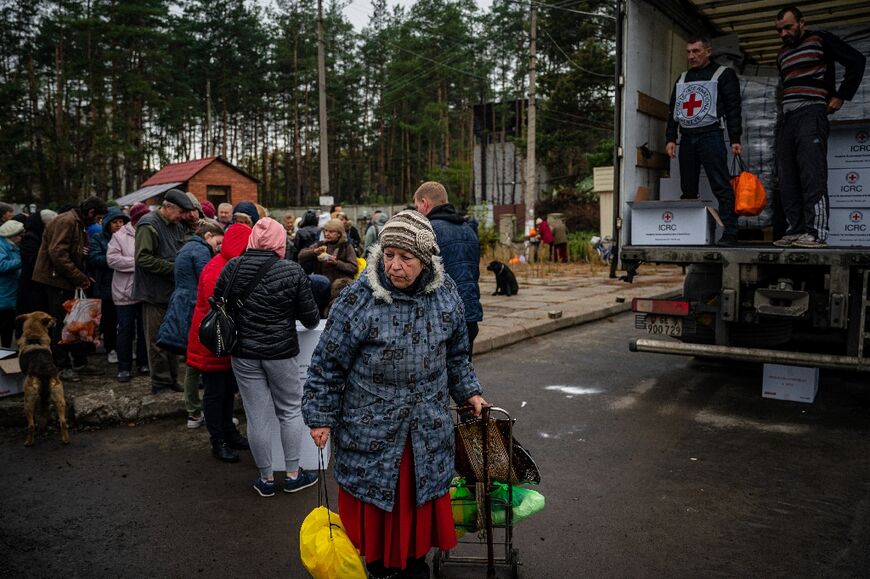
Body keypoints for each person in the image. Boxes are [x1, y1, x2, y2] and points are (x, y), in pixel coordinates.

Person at [303, 209, 487, 579]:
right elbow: (327, 363)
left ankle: (413, 562)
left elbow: (456, 355)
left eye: (405, 257)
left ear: (426, 259)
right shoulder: (360, 298)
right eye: (388, 255)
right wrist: (320, 415)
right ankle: (377, 564)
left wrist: (469, 392)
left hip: (425, 426)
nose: (394, 266)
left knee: (416, 500)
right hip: (371, 428)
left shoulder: (446, 294)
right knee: (377, 503)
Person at [213, 217, 320, 496]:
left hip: (243, 353)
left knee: (256, 415)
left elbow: (218, 303)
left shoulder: (232, 267)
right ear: (279, 241)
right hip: (281, 352)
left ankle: (266, 479)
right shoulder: (291, 270)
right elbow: (310, 319)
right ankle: (294, 474)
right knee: (290, 410)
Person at [772, 6, 867, 249]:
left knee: (812, 172)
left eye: (788, 27)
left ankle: (816, 232)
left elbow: (857, 61)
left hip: (811, 113)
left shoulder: (820, 39)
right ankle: (795, 229)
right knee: (787, 176)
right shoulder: (782, 54)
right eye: (779, 29)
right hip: (787, 118)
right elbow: (787, 86)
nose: (783, 33)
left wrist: (840, 96)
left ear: (802, 23)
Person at [665, 36, 743, 247]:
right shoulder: (682, 78)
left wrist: (735, 138)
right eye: (689, 52)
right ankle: (688, 233)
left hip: (711, 136)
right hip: (687, 138)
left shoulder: (723, 75)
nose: (691, 56)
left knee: (721, 185)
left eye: (696, 51)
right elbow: (673, 110)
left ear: (708, 52)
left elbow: (734, 108)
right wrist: (671, 138)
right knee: (687, 188)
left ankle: (730, 233)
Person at [186, 223, 253, 462]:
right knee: (215, 393)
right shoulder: (219, 268)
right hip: (214, 342)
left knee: (226, 391)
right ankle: (218, 440)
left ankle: (229, 433)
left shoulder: (226, 264)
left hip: (222, 342)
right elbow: (221, 305)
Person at [158, 220, 224, 428]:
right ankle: (196, 412)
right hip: (193, 306)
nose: (219, 247)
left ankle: (194, 412)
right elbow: (208, 281)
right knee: (195, 362)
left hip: (181, 302)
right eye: (218, 242)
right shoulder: (201, 252)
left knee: (191, 361)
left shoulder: (187, 247)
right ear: (208, 236)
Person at [33, 196, 108, 381]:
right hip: (56, 281)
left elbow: (73, 253)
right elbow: (58, 253)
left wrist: (82, 275)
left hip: (66, 279)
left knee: (77, 321)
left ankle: (80, 362)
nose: (98, 222)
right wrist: (78, 276)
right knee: (61, 323)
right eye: (98, 218)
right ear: (90, 212)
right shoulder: (67, 221)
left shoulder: (77, 221)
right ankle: (62, 365)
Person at [134, 189, 195, 394]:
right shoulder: (148, 225)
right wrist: (172, 267)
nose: (182, 217)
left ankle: (172, 379)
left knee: (173, 337)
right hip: (153, 293)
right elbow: (143, 259)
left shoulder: (177, 225)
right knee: (157, 341)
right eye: (180, 212)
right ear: (168, 207)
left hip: (172, 292)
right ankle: (160, 382)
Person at [414, 182, 483, 357]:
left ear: (425, 203)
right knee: (463, 374)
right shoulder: (468, 229)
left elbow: (420, 277)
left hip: (440, 318)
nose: (417, 212)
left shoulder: (428, 231)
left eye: (417, 207)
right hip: (469, 313)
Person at [107, 203, 150, 382]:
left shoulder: (149, 232)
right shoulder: (119, 236)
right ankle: (124, 367)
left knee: (144, 329)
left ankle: (143, 362)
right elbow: (112, 260)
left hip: (145, 290)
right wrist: (138, 262)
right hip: (124, 291)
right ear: (136, 219)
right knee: (125, 329)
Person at [88, 207, 129, 364]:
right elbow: (94, 258)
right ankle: (111, 348)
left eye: (121, 222)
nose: (119, 225)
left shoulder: (128, 237)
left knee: (124, 320)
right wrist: (115, 260)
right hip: (106, 284)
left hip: (125, 284)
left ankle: (123, 348)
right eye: (115, 222)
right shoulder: (99, 238)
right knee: (109, 319)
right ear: (107, 223)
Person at [16, 210, 57, 323]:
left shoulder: (38, 236)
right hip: (31, 284)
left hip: (39, 284)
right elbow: (34, 260)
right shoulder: (30, 238)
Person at [298, 219, 359, 287]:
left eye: (331, 231)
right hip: (322, 286)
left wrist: (337, 263)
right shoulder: (321, 244)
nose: (327, 234)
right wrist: (314, 252)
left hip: (340, 288)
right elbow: (301, 255)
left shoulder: (346, 246)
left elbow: (353, 268)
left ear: (339, 234)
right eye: (326, 231)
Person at [0, 219, 24, 347]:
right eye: (20, 235)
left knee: (8, 325)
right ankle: (5, 351)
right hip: (4, 292)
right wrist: (22, 261)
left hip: (10, 292)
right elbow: (2, 266)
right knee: (4, 325)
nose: (21, 238)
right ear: (12, 235)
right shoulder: (2, 246)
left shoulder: (13, 246)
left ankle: (6, 350)